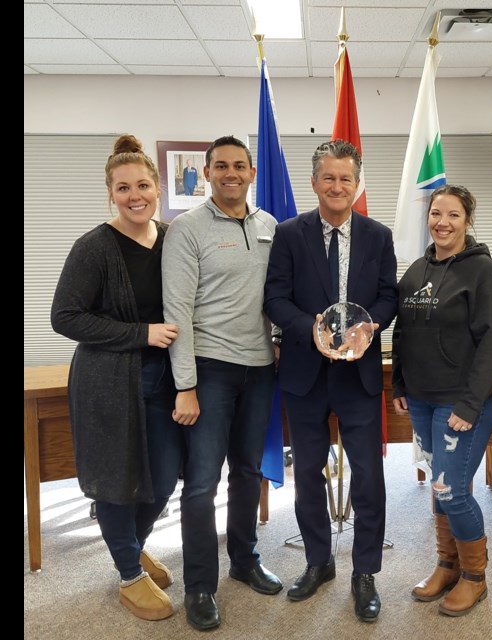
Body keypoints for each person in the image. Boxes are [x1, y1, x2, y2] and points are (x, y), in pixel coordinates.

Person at [264, 140, 398, 623]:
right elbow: (275, 298)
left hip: (359, 374)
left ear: (356, 183)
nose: (337, 186)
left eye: (346, 178)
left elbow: (388, 296)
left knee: (368, 478)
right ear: (314, 181)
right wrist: (311, 328)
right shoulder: (288, 234)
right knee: (308, 477)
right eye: (328, 177)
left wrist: (371, 325)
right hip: (304, 373)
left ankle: (366, 573)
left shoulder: (378, 236)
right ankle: (318, 562)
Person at [50, 134, 182, 622]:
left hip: (165, 382)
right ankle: (129, 573)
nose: (135, 196)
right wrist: (141, 334)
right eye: (123, 187)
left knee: (163, 478)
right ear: (111, 192)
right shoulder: (93, 247)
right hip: (108, 384)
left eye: (143, 185)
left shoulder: (172, 237)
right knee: (116, 483)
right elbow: (64, 317)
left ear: (158, 188)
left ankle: (132, 545)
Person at [162, 136, 281, 631]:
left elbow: (276, 294)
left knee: (249, 472)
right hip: (209, 369)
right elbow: (178, 311)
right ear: (206, 173)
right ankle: (199, 587)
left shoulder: (270, 225)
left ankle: (244, 558)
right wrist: (184, 385)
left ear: (252, 172)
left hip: (259, 369)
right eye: (221, 166)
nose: (231, 173)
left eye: (239, 165)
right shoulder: (186, 229)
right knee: (202, 484)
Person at [390, 185, 492, 617]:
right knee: (439, 490)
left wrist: (469, 404)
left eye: (453, 215)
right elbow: (402, 333)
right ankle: (446, 565)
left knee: (451, 489)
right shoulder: (417, 270)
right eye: (436, 213)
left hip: (462, 404)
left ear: (467, 220)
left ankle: (475, 578)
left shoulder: (484, 273)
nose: (443, 222)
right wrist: (399, 385)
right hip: (421, 400)